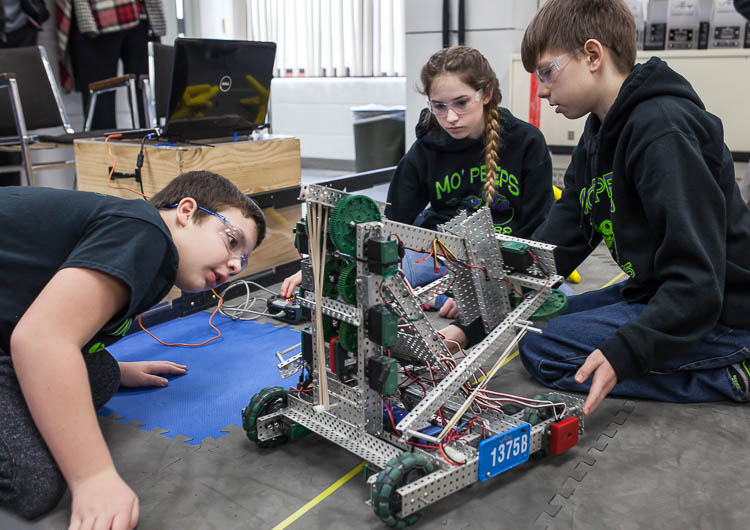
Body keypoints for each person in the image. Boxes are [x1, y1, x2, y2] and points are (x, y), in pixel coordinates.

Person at [447, 0, 750, 418]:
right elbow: (556, 247)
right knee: (538, 323)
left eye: (548, 72)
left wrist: (627, 350)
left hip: (723, 310)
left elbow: (698, 281)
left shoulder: (663, 129)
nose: (542, 90)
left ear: (593, 55)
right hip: (657, 291)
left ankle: (732, 371)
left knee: (545, 350)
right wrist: (478, 318)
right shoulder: (598, 133)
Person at [0, 170, 266, 527]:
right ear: (187, 211)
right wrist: (93, 478)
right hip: (21, 340)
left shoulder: (153, 257)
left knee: (102, 373)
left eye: (244, 259)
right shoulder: (146, 231)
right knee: (30, 484)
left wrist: (115, 370)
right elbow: (41, 339)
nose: (236, 265)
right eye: (232, 241)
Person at [281, 46, 555, 319]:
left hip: (503, 260)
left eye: (461, 103)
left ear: (486, 95)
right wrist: (321, 268)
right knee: (373, 282)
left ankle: (440, 298)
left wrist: (485, 290)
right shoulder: (426, 148)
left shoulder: (527, 142)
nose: (450, 117)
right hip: (440, 253)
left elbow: (536, 231)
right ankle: (440, 297)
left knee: (555, 301)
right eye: (439, 106)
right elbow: (387, 221)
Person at [56, 0, 166, 129]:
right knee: (101, 115)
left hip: (142, 14)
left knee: (148, 109)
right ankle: (102, 148)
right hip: (95, 19)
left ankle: (151, 148)